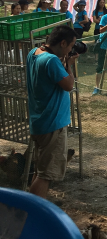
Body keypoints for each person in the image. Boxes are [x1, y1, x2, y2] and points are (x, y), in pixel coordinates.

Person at [25, 25, 76, 198]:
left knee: (40, 171)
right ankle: (33, 215)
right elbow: (68, 85)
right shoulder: (51, 61)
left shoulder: (34, 53)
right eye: (70, 46)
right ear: (63, 43)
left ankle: (30, 208)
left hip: (39, 120)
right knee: (46, 175)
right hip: (52, 124)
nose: (71, 50)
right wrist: (69, 65)